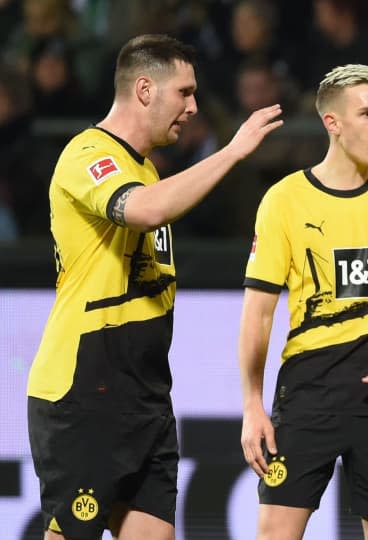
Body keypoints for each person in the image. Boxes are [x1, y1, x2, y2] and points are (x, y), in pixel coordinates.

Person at [26, 34, 283, 540]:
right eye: (184, 93)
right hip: (85, 386)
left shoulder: (145, 168)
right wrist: (231, 152)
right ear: (144, 89)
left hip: (146, 394)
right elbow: (145, 210)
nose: (192, 107)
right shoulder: (87, 153)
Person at [238, 63, 368, 540]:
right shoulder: (284, 200)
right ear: (333, 123)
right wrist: (251, 404)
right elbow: (259, 314)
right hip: (310, 392)